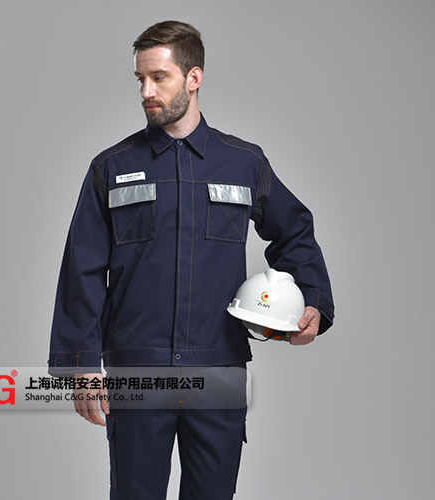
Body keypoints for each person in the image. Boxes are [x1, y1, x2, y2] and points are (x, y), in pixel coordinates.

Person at [47, 20, 335, 499]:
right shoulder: (111, 168)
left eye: (159, 77)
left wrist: (313, 302)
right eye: (140, 79)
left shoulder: (243, 163)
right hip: (137, 369)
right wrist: (80, 365)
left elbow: (295, 231)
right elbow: (83, 268)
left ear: (194, 77)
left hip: (217, 369)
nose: (146, 91)